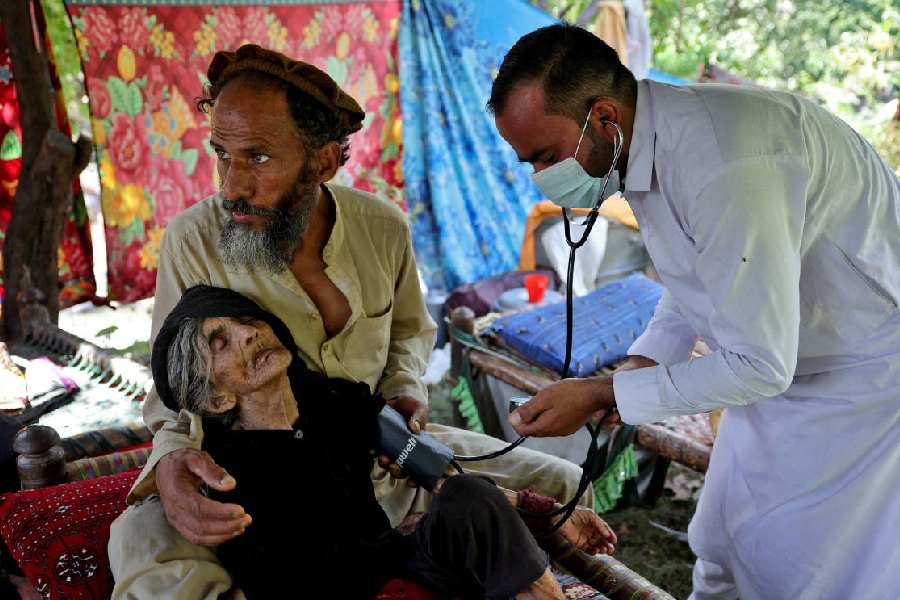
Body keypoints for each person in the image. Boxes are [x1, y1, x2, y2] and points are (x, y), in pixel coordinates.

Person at [114, 43, 594, 587]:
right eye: (222, 154)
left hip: (379, 455)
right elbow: (172, 390)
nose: (232, 184)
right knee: (140, 543)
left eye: (258, 157)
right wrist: (174, 466)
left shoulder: (382, 228)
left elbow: (411, 334)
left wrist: (404, 392)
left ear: (322, 160)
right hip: (253, 483)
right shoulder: (193, 240)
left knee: (563, 483)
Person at [490, 24, 900, 600]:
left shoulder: (726, 162)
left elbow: (761, 363)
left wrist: (603, 394)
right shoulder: (643, 147)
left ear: (604, 116)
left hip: (860, 379)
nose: (541, 177)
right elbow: (696, 281)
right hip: (782, 363)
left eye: (546, 156)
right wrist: (636, 368)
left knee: (811, 566)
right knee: (725, 541)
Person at [109, 284, 616, 599]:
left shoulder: (335, 400)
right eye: (220, 344)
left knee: (469, 495)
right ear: (218, 398)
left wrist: (538, 506)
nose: (245, 336)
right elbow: (283, 580)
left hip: (392, 559)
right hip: (331, 589)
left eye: (245, 321)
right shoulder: (228, 468)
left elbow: (429, 466)